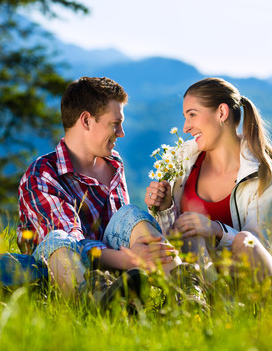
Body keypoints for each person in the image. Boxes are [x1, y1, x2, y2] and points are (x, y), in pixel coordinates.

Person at [17, 76, 182, 306]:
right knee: (58, 239)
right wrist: (129, 259)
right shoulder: (42, 175)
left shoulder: (114, 163)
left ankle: (185, 295)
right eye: (115, 124)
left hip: (121, 267)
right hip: (61, 273)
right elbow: (67, 244)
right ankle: (94, 303)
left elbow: (120, 230)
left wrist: (156, 214)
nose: (121, 133)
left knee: (130, 214)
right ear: (86, 120)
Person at [145, 77, 272, 284]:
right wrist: (165, 207)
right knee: (191, 233)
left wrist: (216, 229)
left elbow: (259, 249)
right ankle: (200, 298)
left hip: (245, 281)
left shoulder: (263, 175)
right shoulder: (183, 161)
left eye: (192, 115)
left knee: (244, 240)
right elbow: (170, 239)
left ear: (221, 113)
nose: (186, 127)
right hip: (197, 277)